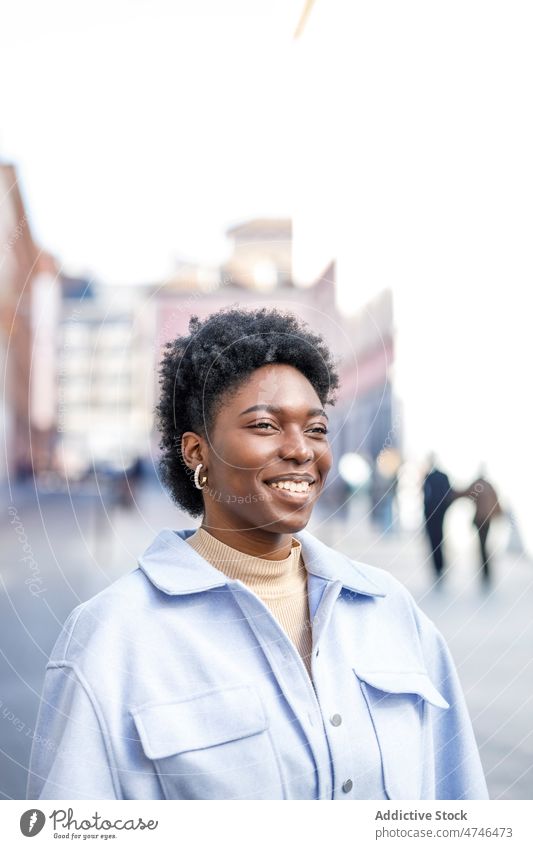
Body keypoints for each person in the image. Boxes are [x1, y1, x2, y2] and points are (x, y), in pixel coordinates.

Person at [27, 308, 488, 800]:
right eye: (266, 425)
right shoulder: (112, 639)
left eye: (315, 429)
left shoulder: (391, 611)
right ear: (196, 452)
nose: (301, 450)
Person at [457, 469, 503, 586]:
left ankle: (485, 571)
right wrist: (497, 516)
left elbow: (464, 493)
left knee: (482, 545)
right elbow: (496, 502)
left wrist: (450, 494)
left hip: (480, 520)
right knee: (484, 544)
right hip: (486, 520)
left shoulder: (478, 485)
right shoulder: (489, 486)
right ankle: (486, 572)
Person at [422, 456, 456, 583]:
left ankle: (438, 567)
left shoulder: (429, 477)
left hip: (431, 515)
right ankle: (440, 566)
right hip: (439, 514)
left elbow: (425, 496)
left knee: (433, 542)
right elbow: (449, 495)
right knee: (439, 540)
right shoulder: (442, 477)